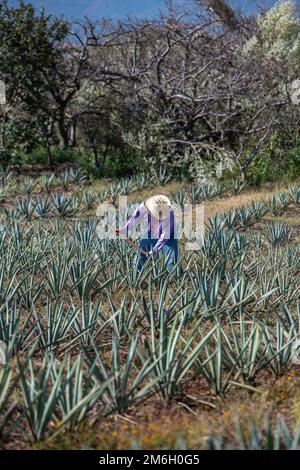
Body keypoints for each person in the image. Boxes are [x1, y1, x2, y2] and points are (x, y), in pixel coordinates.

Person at [116, 195, 178, 271]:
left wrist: (154, 251)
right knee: (141, 254)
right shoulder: (144, 207)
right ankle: (137, 275)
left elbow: (165, 236)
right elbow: (134, 219)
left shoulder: (169, 214)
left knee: (171, 258)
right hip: (151, 232)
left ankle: (176, 278)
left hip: (169, 237)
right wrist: (123, 230)